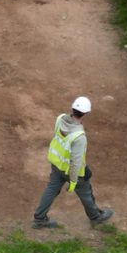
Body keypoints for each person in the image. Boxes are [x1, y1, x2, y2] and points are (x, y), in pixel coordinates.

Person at [32, 96, 113, 229]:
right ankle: (95, 217)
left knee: (51, 190)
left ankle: (40, 219)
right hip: (71, 171)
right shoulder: (79, 137)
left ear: (73, 108)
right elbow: (75, 162)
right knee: (86, 192)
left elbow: (58, 138)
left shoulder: (60, 119)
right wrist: (73, 182)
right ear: (86, 113)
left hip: (57, 164)